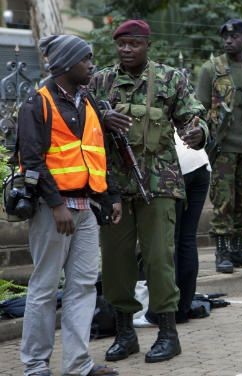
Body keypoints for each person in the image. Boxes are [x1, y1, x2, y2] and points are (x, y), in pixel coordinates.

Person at [89, 19, 210, 363]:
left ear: (147, 45)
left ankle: (168, 333)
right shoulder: (102, 80)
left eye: (134, 44)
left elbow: (193, 116)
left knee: (159, 259)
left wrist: (197, 132)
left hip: (159, 182)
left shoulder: (171, 78)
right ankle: (125, 333)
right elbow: (82, 119)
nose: (127, 50)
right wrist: (102, 118)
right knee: (115, 262)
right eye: (121, 44)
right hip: (113, 187)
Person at [18, 34, 118, 376]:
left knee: (83, 286)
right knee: (45, 287)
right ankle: (35, 366)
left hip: (87, 207)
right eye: (85, 59)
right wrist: (56, 204)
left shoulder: (88, 102)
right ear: (65, 64)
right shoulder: (37, 103)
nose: (91, 65)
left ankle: (78, 364)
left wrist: (110, 197)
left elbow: (98, 156)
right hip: (53, 211)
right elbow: (31, 160)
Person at [195, 18, 242, 273]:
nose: (228, 41)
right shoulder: (211, 69)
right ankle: (222, 252)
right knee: (223, 200)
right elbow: (199, 107)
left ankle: (238, 249)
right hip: (222, 147)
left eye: (235, 37)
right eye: (225, 37)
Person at [172, 132, 211, 322]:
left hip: (176, 167)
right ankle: (183, 307)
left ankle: (168, 310)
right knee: (187, 237)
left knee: (171, 239)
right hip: (201, 162)